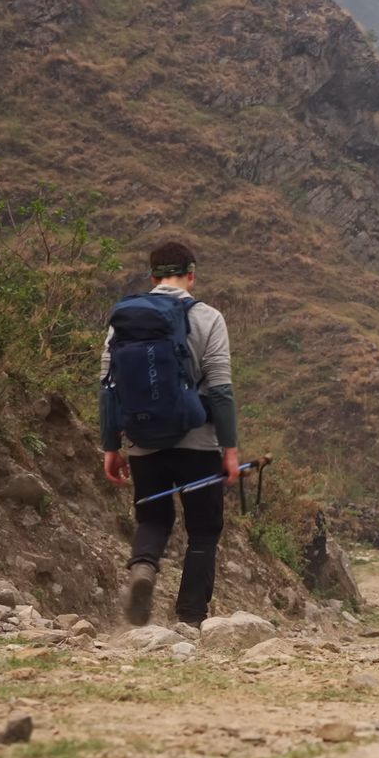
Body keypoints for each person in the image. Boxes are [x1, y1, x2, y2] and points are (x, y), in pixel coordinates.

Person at [100, 242, 240, 627]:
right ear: (191, 274)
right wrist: (230, 449)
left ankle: (143, 567)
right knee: (203, 530)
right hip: (199, 443)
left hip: (144, 441)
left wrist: (111, 446)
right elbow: (222, 389)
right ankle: (191, 618)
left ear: (153, 276)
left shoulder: (124, 320)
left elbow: (107, 385)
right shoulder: (209, 318)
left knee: (153, 520)